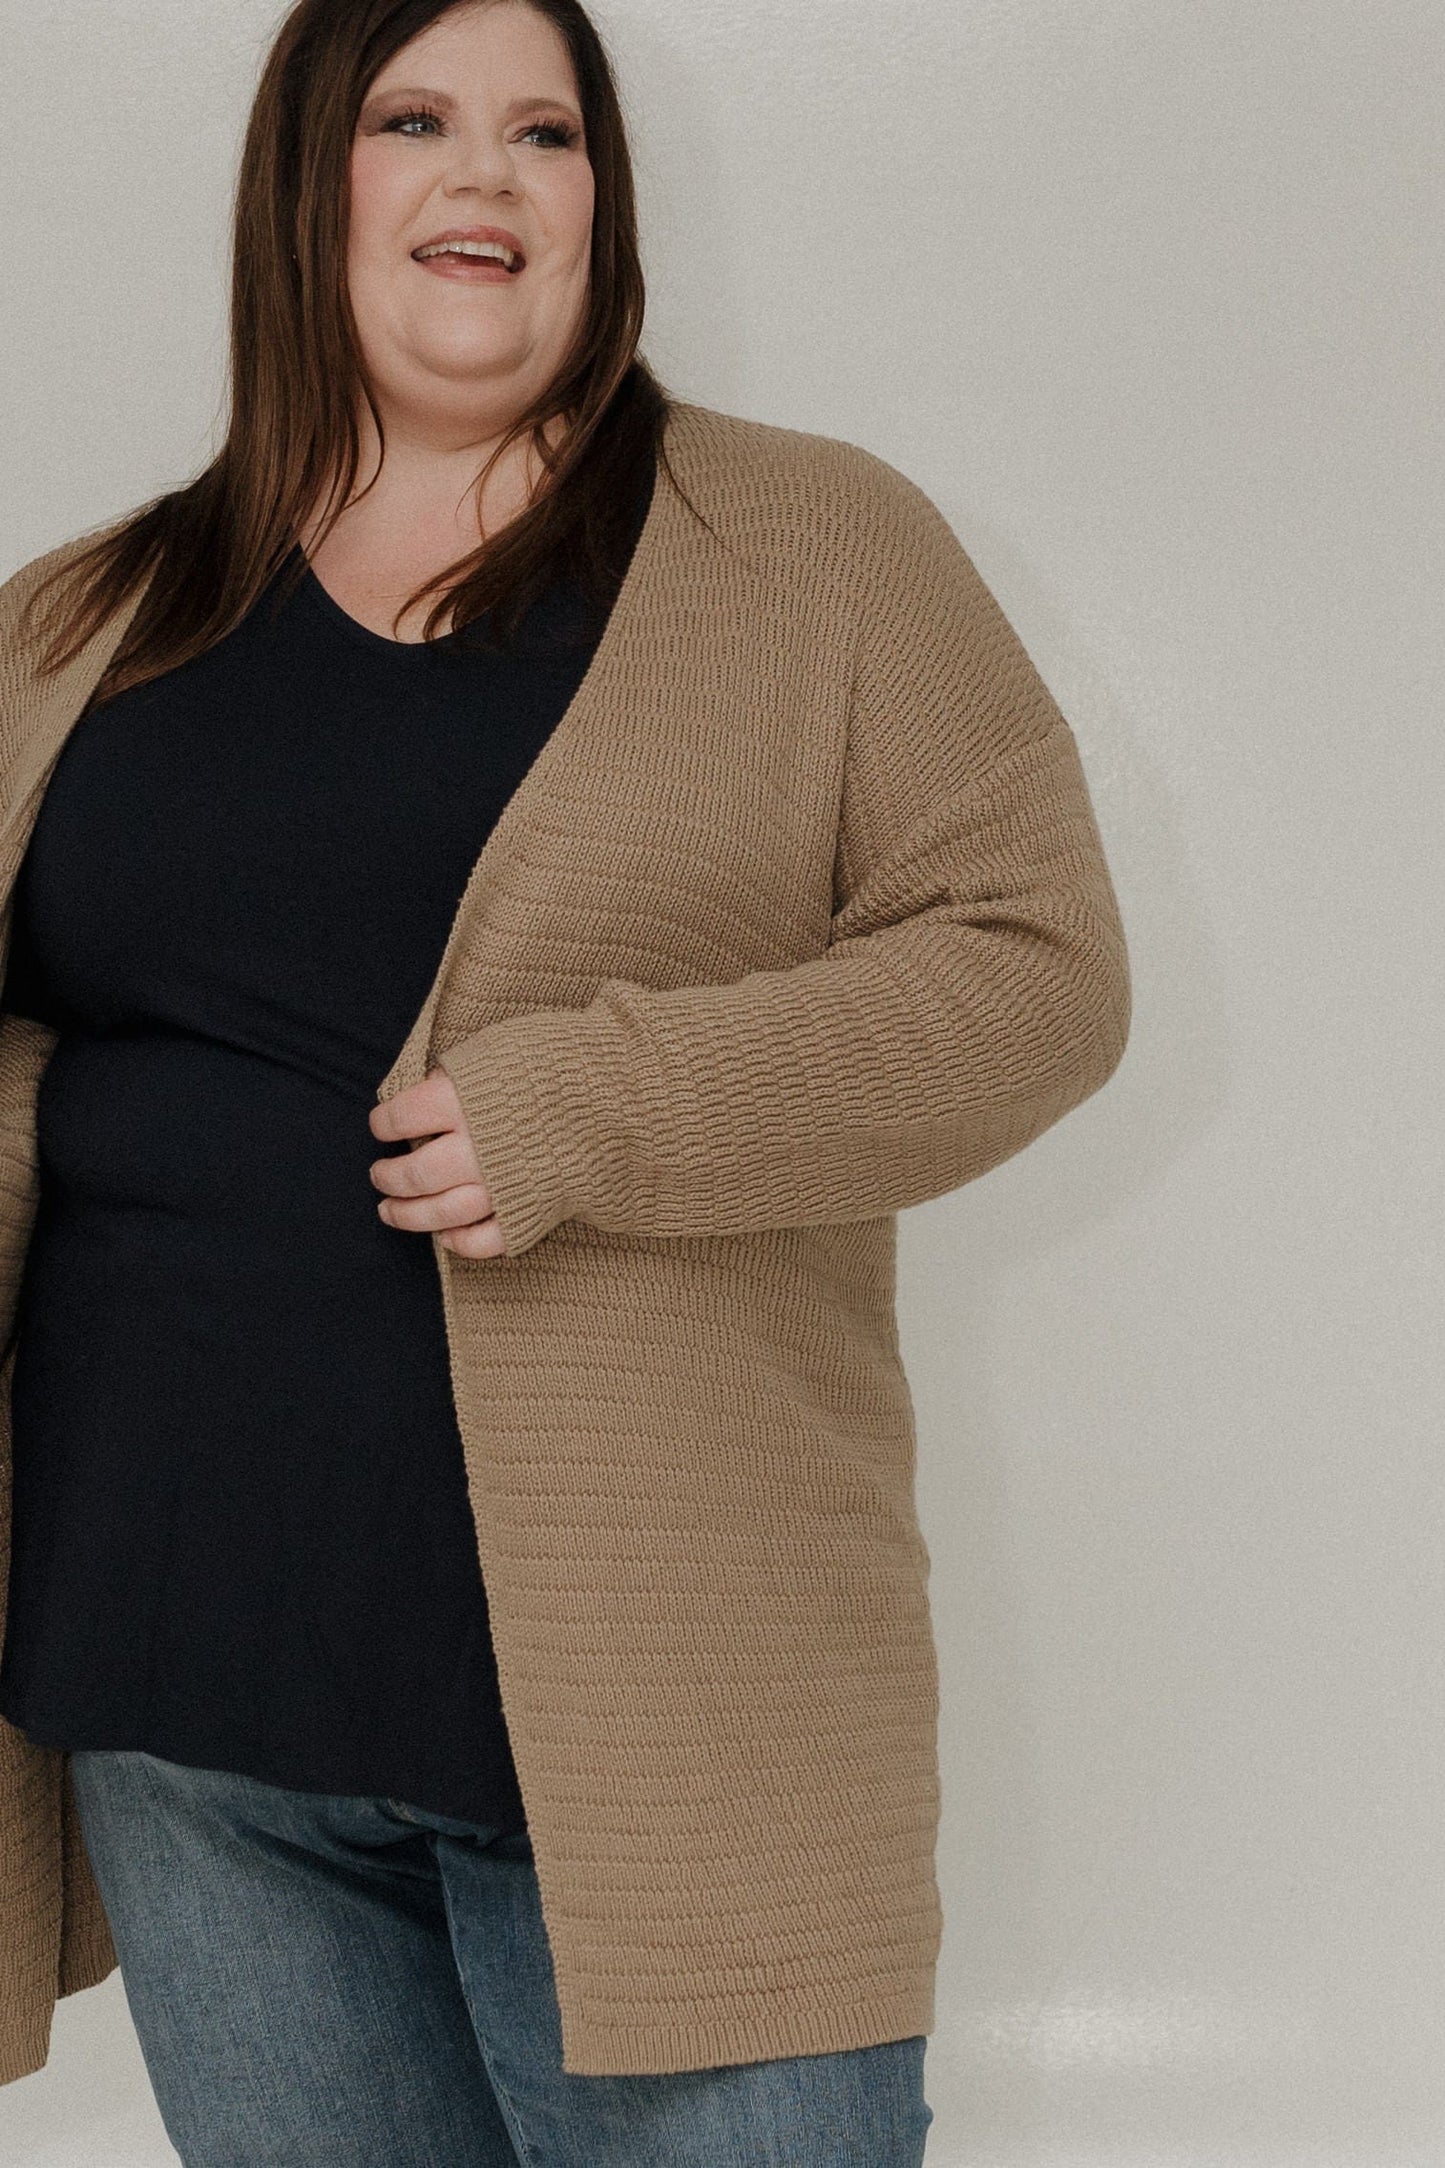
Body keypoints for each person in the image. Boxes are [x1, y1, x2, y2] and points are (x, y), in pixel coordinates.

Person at [0, 0, 1132, 2161]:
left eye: (549, 134)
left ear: (605, 204)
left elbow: (1039, 969)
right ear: (306, 184)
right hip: (181, 1704)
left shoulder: (813, 552)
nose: (488, 177)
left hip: (662, 1730)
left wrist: (605, 1110)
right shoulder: (80, 621)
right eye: (417, 119)